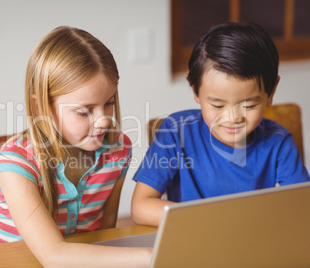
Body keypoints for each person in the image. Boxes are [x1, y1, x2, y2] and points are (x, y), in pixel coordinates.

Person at [0, 26, 151, 267]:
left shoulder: (118, 150)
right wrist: (153, 257)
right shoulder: (15, 165)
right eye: (84, 111)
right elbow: (55, 257)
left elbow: (106, 235)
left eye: (109, 103)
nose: (103, 120)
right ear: (40, 107)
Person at [131, 22, 310, 227]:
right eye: (217, 105)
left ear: (271, 93)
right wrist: (215, 222)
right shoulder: (175, 132)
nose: (232, 118)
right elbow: (140, 207)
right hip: (192, 242)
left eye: (249, 105)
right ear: (195, 91)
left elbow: (301, 209)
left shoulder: (279, 142)